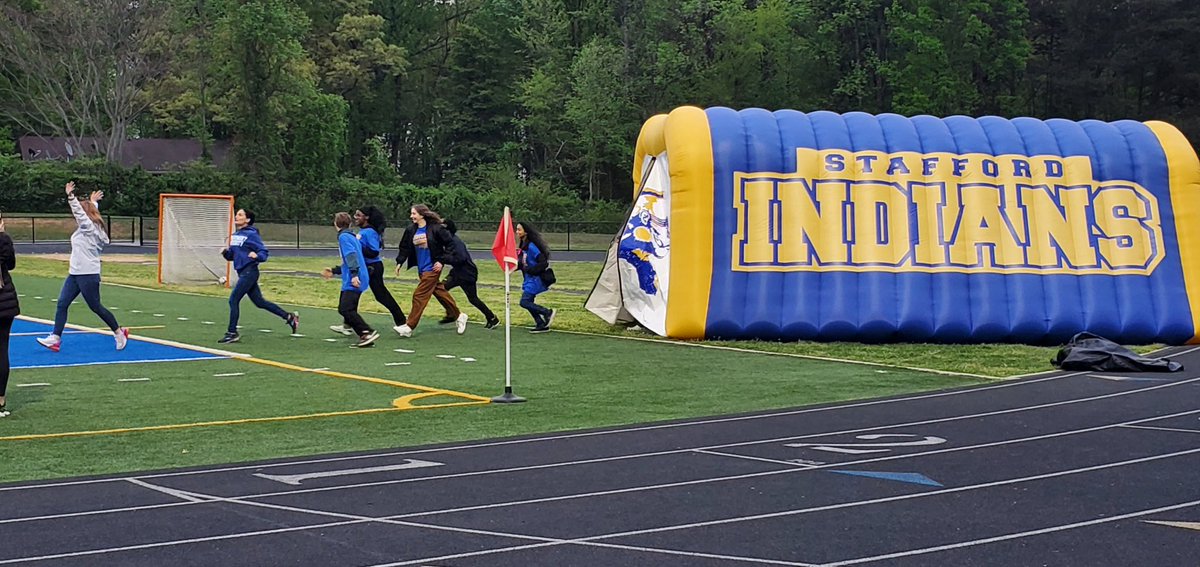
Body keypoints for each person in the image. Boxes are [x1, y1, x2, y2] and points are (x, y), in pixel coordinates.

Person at [36, 182, 129, 352]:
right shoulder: (88, 227)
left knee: (95, 306)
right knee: (62, 303)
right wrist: (94, 202)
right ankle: (55, 338)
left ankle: (118, 331)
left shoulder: (89, 228)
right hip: (75, 273)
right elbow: (87, 214)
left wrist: (71, 197)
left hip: (88, 274)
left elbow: (81, 215)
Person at [218, 208, 299, 344]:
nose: (236, 216)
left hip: (250, 272)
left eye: (240, 214)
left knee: (233, 300)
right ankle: (288, 316)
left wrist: (257, 256)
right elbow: (232, 256)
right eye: (236, 214)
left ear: (248, 219)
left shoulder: (252, 234)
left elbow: (263, 252)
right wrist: (225, 252)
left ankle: (232, 332)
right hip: (243, 272)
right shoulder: (235, 235)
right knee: (259, 302)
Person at [330, 206, 406, 336]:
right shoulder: (361, 231)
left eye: (358, 215)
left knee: (381, 296)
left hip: (373, 267)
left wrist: (357, 247)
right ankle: (347, 324)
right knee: (353, 295)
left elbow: (374, 251)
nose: (355, 217)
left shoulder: (369, 232)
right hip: (364, 267)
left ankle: (402, 322)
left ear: (367, 217)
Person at [393, 204, 467, 337]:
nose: (411, 216)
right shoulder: (411, 230)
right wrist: (399, 262)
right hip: (422, 269)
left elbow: (450, 245)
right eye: (411, 214)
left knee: (419, 295)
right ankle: (459, 315)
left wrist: (442, 261)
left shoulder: (436, 229)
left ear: (422, 214)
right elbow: (404, 246)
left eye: (414, 214)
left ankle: (409, 326)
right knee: (439, 292)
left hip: (433, 267)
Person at [323, 212, 378, 347]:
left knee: (345, 309)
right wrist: (335, 271)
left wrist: (354, 275)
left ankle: (365, 332)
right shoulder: (352, 237)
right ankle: (363, 333)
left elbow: (351, 256)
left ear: (336, 224)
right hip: (355, 275)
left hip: (354, 277)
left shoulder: (344, 238)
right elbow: (350, 260)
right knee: (347, 308)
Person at [442, 219, 499, 329]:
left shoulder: (455, 242)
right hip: (456, 272)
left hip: (467, 274)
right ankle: (451, 314)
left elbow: (461, 258)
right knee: (441, 289)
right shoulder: (447, 241)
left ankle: (492, 318)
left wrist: (444, 259)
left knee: (473, 298)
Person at [516, 221, 556, 333]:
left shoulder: (532, 247)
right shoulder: (523, 247)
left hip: (535, 279)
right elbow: (523, 263)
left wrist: (531, 270)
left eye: (519, 229)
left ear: (526, 232)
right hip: (528, 279)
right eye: (517, 229)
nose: (517, 232)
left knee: (524, 302)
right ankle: (540, 323)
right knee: (529, 302)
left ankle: (547, 312)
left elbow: (543, 262)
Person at [0, 211, 17, 417]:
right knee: (2, 349)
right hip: (6, 299)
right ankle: (1, 397)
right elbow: (11, 264)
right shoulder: (4, 239)